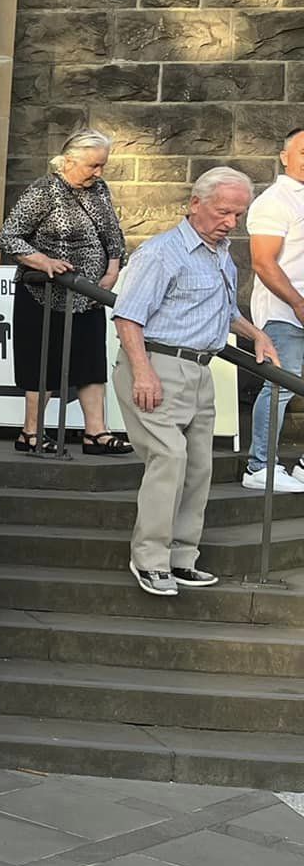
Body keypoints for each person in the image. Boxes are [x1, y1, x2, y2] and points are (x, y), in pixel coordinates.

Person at [115, 166, 279, 597]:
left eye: (238, 215)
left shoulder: (220, 254)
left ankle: (181, 557)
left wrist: (256, 334)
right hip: (157, 365)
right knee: (169, 459)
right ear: (195, 204)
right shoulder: (162, 253)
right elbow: (128, 316)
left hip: (201, 370)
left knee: (199, 467)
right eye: (224, 212)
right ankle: (149, 559)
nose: (230, 222)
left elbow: (223, 313)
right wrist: (143, 371)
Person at [0, 128, 129, 454]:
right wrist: (43, 261)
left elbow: (113, 235)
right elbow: (9, 237)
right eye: (93, 166)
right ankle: (30, 433)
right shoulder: (44, 190)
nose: (98, 173)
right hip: (44, 294)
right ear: (69, 160)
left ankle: (95, 433)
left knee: (90, 362)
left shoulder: (99, 190)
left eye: (102, 166)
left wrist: (112, 269)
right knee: (43, 362)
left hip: (88, 295)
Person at [247, 129, 304, 491]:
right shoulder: (275, 200)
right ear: (284, 156)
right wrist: (298, 304)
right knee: (280, 387)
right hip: (285, 314)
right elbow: (263, 262)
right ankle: (260, 467)